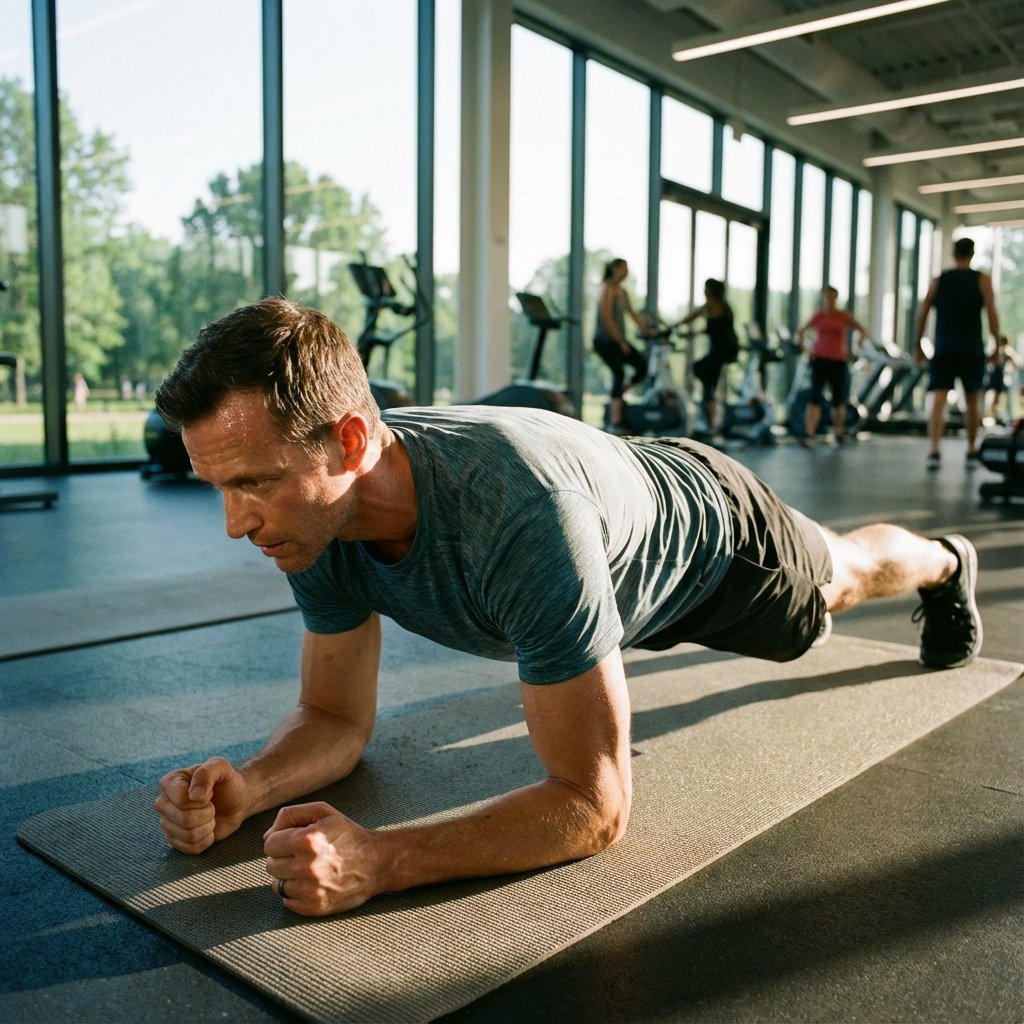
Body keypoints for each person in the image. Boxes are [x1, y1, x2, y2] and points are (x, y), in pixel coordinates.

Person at [153, 297, 983, 919]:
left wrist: (381, 860)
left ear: (352, 444)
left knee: (845, 573)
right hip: (606, 510)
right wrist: (252, 784)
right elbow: (334, 714)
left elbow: (592, 805)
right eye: (218, 487)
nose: (235, 524)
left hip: (715, 540)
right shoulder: (308, 518)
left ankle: (946, 564)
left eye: (252, 483)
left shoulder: (517, 517)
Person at [914, 237, 1002, 470]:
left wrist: (918, 345)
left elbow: (922, 314)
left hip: (944, 347)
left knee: (939, 399)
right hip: (971, 347)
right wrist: (996, 346)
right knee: (973, 401)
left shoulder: (938, 280)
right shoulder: (982, 280)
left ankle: (934, 451)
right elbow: (992, 314)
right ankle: (972, 450)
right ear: (972, 254)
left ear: (953, 254)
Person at [795, 285, 870, 446]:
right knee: (815, 398)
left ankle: (838, 432)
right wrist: (806, 349)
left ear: (836, 298)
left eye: (832, 297)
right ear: (824, 297)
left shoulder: (843, 316)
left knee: (838, 399)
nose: (829, 300)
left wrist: (857, 346)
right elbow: (800, 331)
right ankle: (810, 434)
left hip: (838, 361)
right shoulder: (819, 316)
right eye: (827, 297)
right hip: (820, 360)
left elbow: (862, 330)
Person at [593, 258, 655, 434]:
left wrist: (647, 330)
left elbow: (633, 314)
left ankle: (618, 395)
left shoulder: (622, 292)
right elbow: (607, 318)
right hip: (604, 341)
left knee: (642, 367)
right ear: (615, 269)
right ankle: (615, 421)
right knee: (618, 372)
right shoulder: (607, 289)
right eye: (623, 268)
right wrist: (621, 341)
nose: (626, 272)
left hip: (619, 340)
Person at [677, 279, 739, 433]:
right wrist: (687, 330)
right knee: (703, 374)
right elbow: (708, 326)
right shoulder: (719, 307)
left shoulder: (714, 306)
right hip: (718, 350)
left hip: (722, 350)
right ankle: (711, 417)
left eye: (705, 289)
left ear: (710, 291)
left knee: (704, 376)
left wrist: (682, 327)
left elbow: (702, 320)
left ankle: (712, 421)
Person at [984, 336, 1019, 426]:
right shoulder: (997, 350)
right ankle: (991, 415)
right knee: (993, 398)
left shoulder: (1007, 352)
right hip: (994, 376)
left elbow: (1015, 363)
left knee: (996, 398)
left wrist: (1009, 371)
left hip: (999, 377)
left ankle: (995, 416)